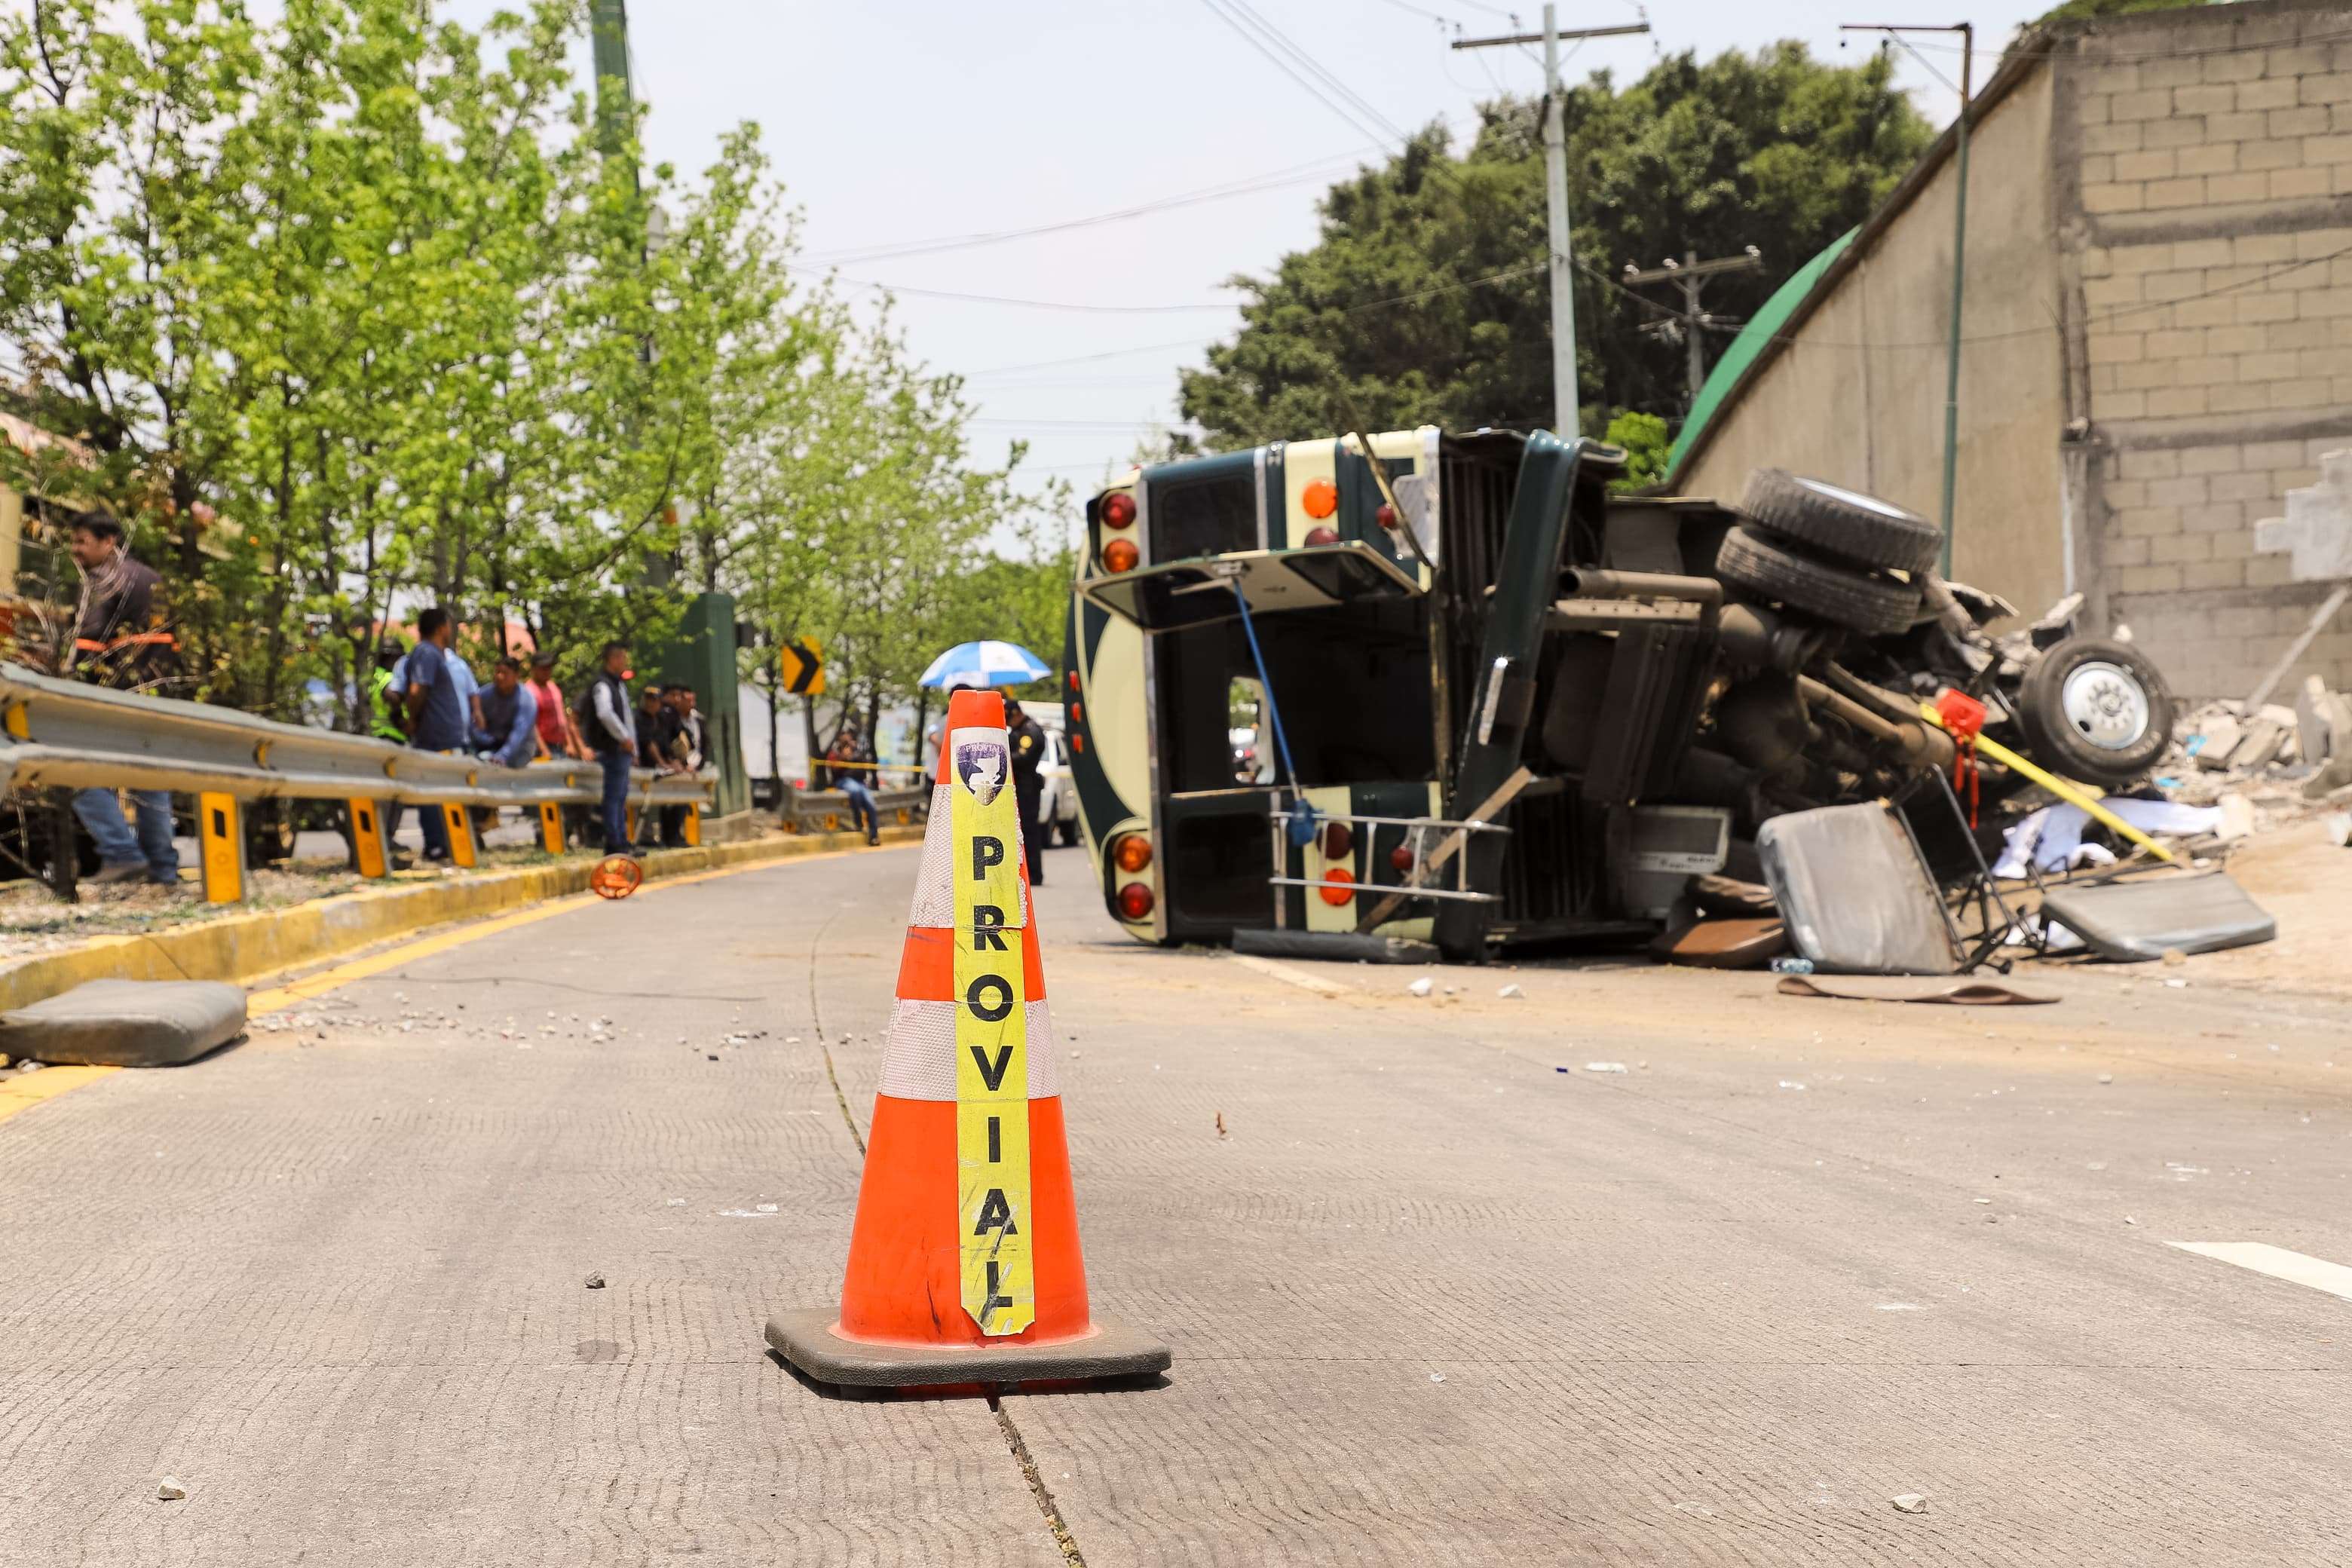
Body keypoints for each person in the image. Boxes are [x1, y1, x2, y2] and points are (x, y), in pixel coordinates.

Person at [65, 510, 181, 886]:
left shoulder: (103, 579)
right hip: (155, 694)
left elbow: (87, 642)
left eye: (82, 541)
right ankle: (163, 871)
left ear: (108, 541)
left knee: (77, 771)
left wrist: (69, 682)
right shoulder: (154, 579)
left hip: (114, 695)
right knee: (151, 781)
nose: (75, 549)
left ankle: (122, 853)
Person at [403, 608, 470, 862]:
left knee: (443, 793)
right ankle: (437, 846)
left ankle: (448, 844)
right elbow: (418, 689)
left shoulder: (434, 654)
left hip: (442, 736)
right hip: (435, 737)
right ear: (442, 627)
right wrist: (413, 719)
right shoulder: (427, 652)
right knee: (432, 793)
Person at [579, 641, 636, 855]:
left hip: (622, 750)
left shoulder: (618, 684)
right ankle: (614, 842)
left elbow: (627, 718)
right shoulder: (602, 685)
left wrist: (632, 746)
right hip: (611, 750)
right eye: (622, 657)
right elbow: (604, 713)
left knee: (620, 797)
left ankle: (622, 840)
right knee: (613, 798)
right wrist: (624, 738)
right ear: (612, 659)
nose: (625, 661)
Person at [1005, 697, 1049, 886]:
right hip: (1019, 786)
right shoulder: (1018, 730)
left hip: (1027, 787)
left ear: (1015, 714)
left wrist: (1002, 755)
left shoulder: (1029, 731)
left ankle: (1034, 874)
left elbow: (1023, 757)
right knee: (1019, 831)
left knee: (1028, 832)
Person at [474, 656, 540, 770]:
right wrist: (483, 738)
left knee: (506, 763)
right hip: (491, 745)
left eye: (505, 673)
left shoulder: (526, 700)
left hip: (520, 749)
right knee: (477, 758)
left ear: (516, 676)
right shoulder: (484, 694)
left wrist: (502, 755)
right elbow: (471, 721)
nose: (500, 676)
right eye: (497, 672)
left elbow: (519, 733)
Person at [659, 685, 705, 847]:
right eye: (676, 696)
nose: (677, 700)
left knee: (683, 801)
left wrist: (694, 765)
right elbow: (665, 741)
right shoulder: (666, 716)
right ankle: (669, 836)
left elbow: (698, 745)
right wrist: (672, 760)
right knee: (668, 801)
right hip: (672, 765)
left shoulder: (697, 720)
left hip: (689, 766)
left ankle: (676, 835)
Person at [825, 724, 880, 846]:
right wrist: (843, 757)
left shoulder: (857, 750)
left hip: (860, 782)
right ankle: (858, 820)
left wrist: (855, 753)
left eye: (848, 733)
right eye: (844, 733)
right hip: (843, 781)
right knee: (855, 791)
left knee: (870, 803)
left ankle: (874, 835)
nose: (846, 736)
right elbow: (833, 768)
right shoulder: (835, 752)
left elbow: (864, 767)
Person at [526, 651, 584, 760]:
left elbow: (561, 716)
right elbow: (531, 725)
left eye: (549, 668)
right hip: (540, 749)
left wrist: (569, 743)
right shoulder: (529, 692)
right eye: (543, 668)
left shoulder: (553, 687)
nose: (547, 671)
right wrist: (544, 750)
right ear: (533, 669)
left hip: (559, 747)